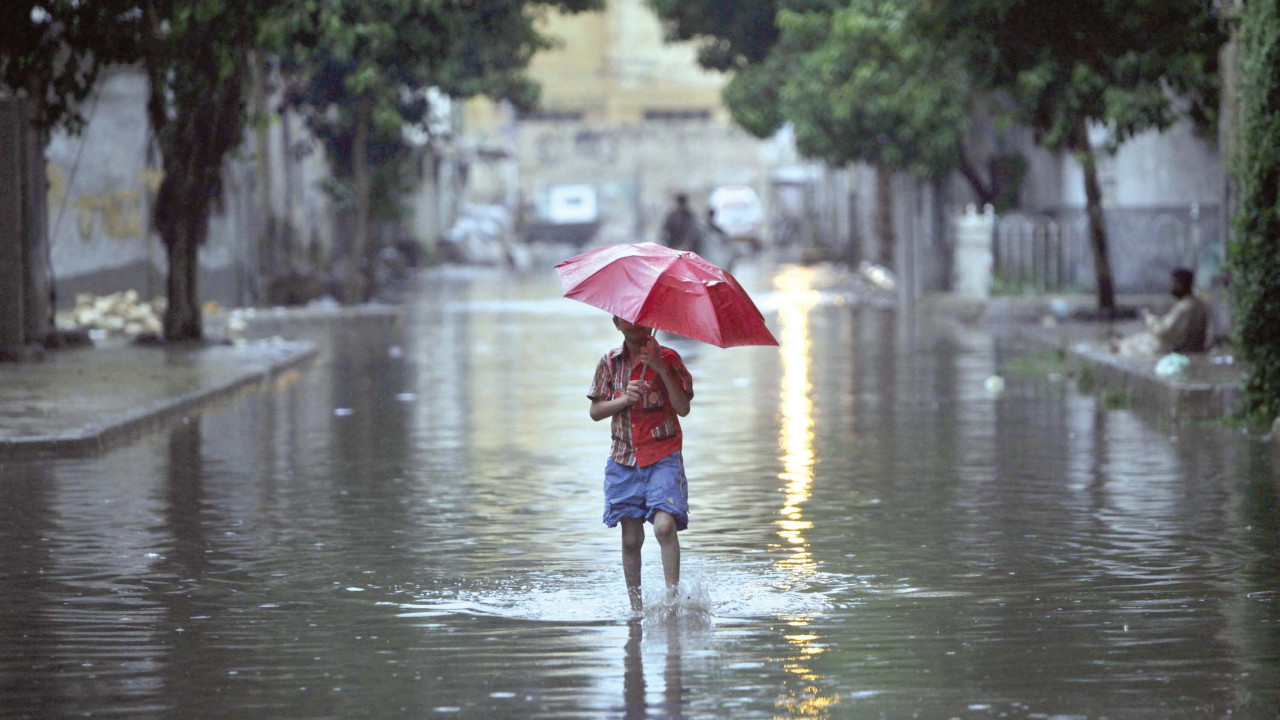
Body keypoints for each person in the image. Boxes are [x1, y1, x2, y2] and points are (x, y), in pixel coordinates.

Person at [587, 315, 694, 613]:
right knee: (631, 538)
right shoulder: (609, 363)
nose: (636, 326)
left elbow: (683, 408)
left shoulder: (670, 358)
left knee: (663, 526)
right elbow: (595, 411)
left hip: (663, 455)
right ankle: (636, 609)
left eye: (643, 320)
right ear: (616, 323)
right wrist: (623, 400)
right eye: (628, 321)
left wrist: (660, 367)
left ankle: (672, 601)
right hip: (624, 458)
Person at [1116, 267, 1211, 357]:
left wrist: (1149, 318)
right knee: (1141, 338)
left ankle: (1118, 345)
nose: (1171, 287)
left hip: (1177, 348)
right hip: (1191, 346)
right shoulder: (1199, 303)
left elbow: (1162, 331)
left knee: (1141, 342)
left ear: (1182, 285)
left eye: (1174, 284)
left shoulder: (1185, 307)